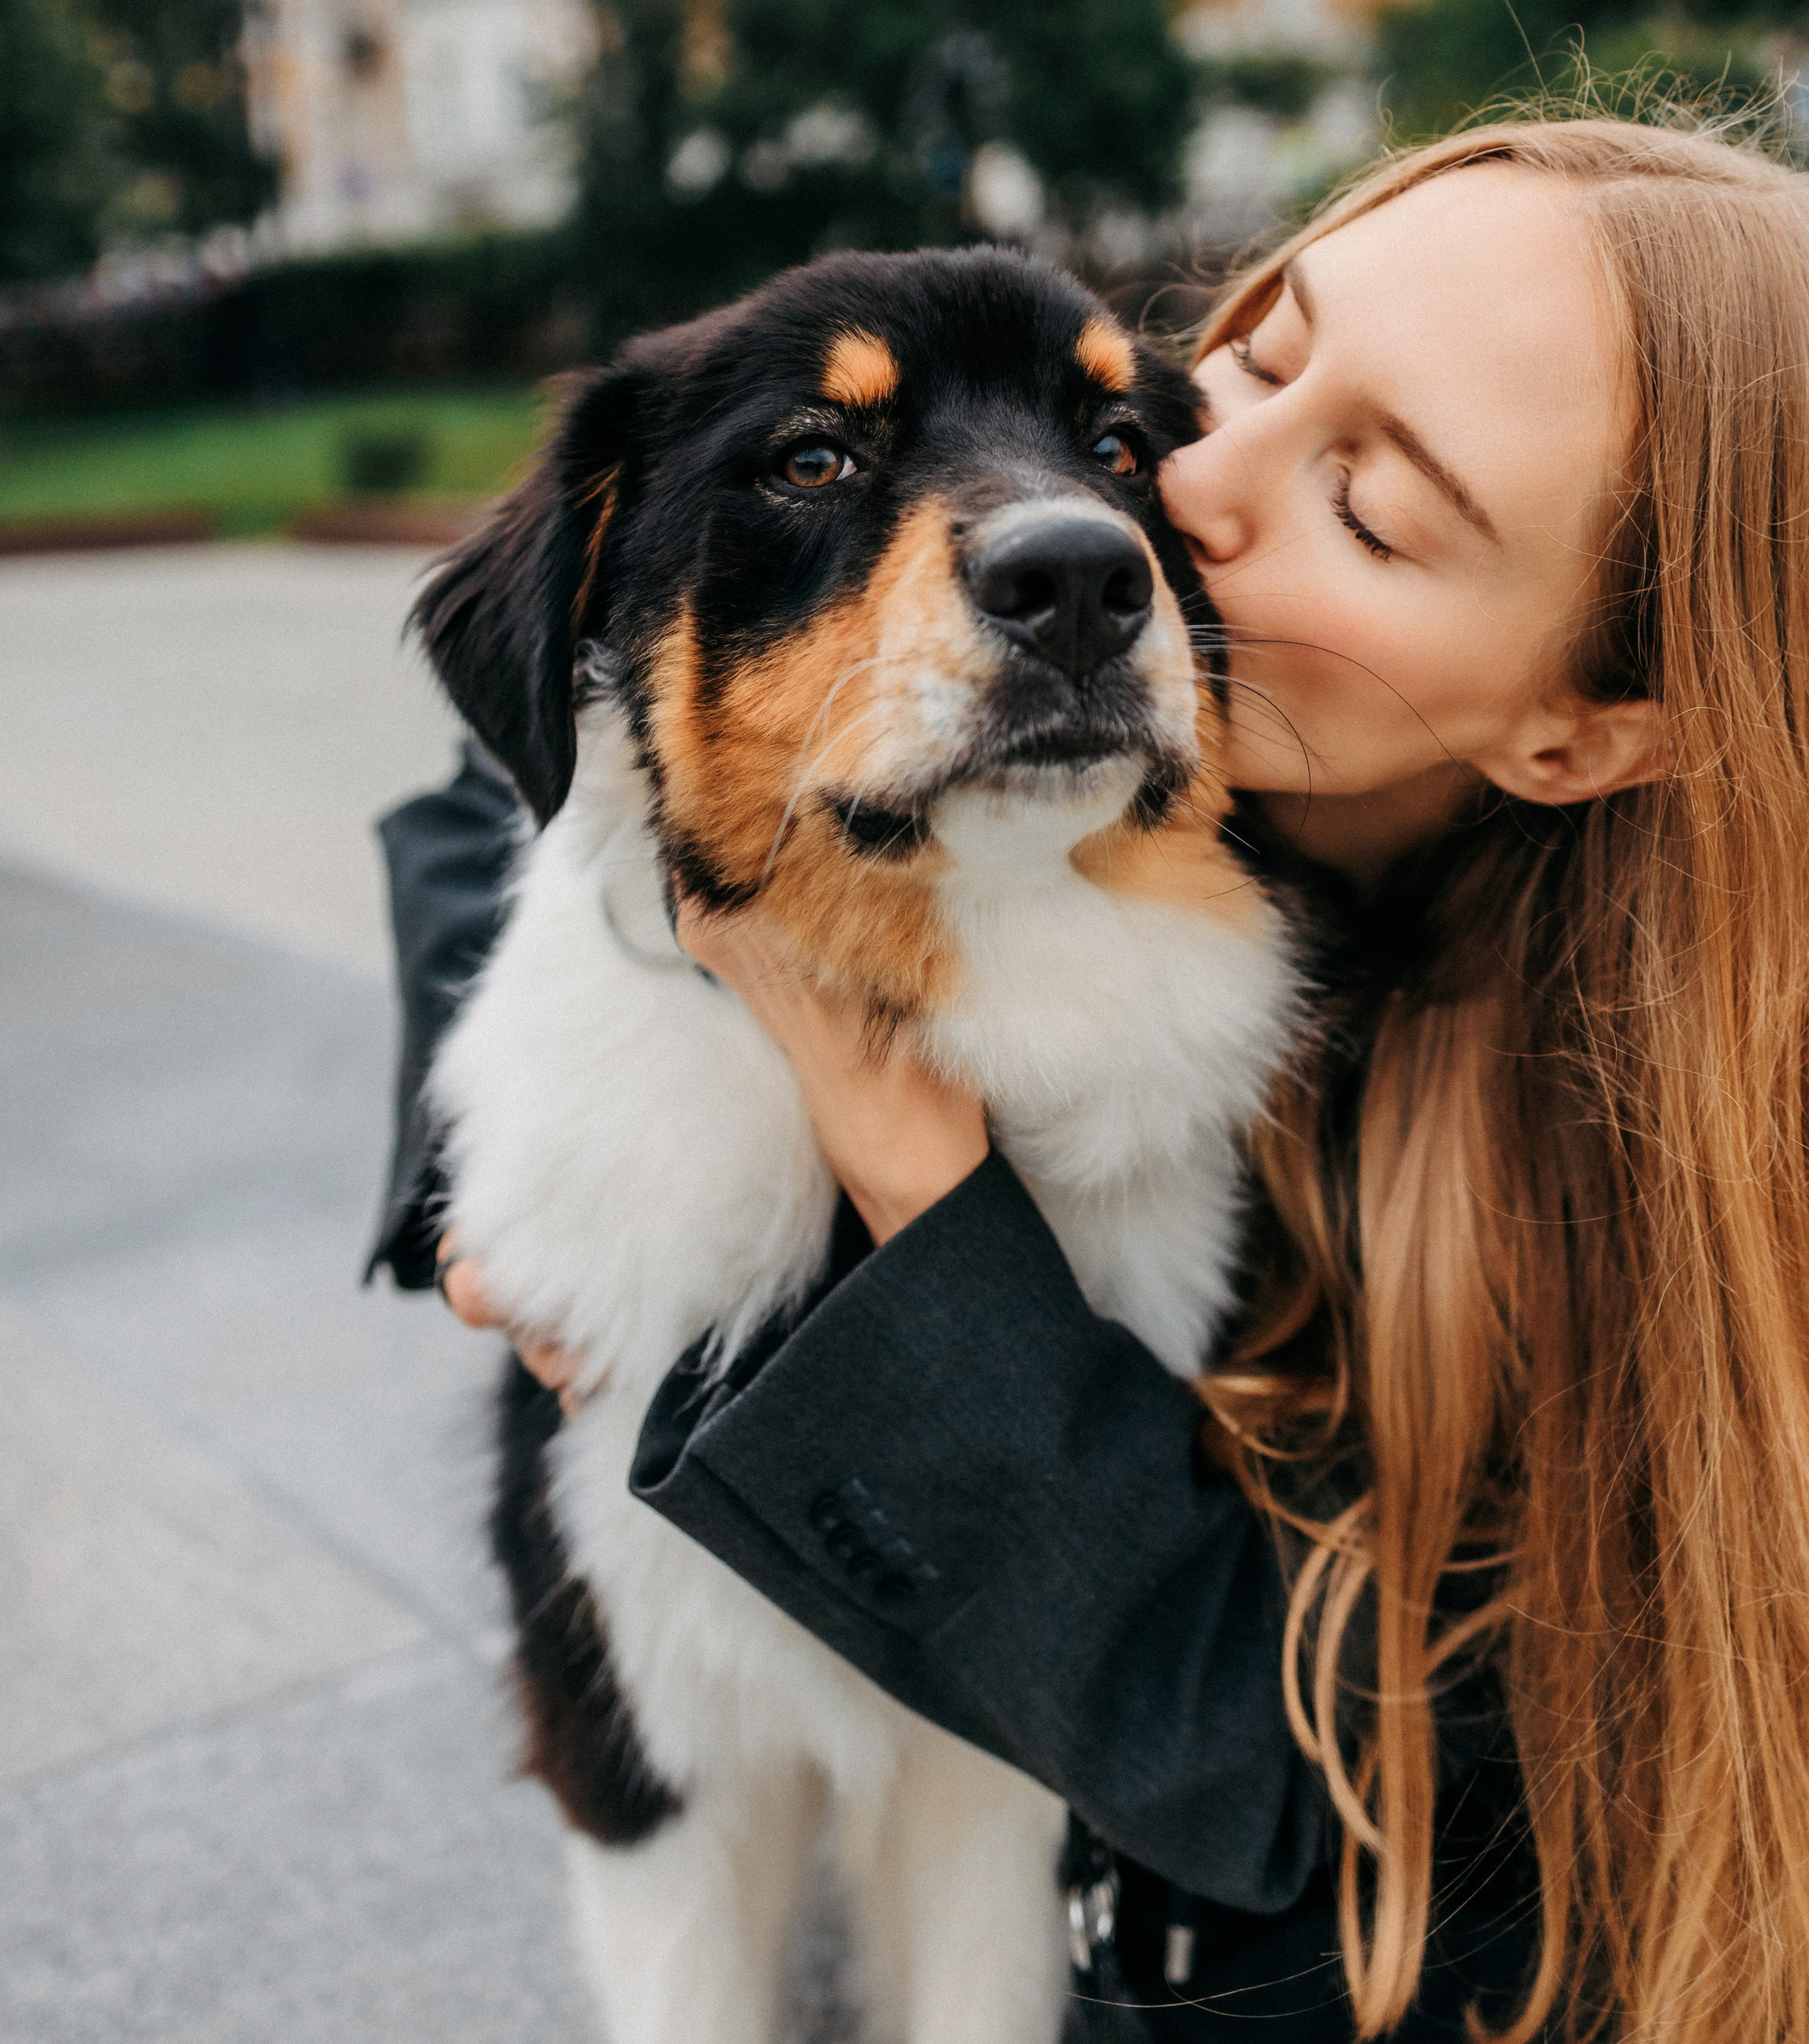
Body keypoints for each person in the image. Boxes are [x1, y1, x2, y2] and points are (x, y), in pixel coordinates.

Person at [371, 114, 1809, 2042]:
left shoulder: (1655, 1203)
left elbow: (1271, 1788)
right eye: (1250, 376)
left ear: (1579, 727)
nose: (1134, 519)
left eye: (1374, 508)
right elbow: (521, 773)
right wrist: (503, 1162)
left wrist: (912, 1184)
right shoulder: (1189, 728)